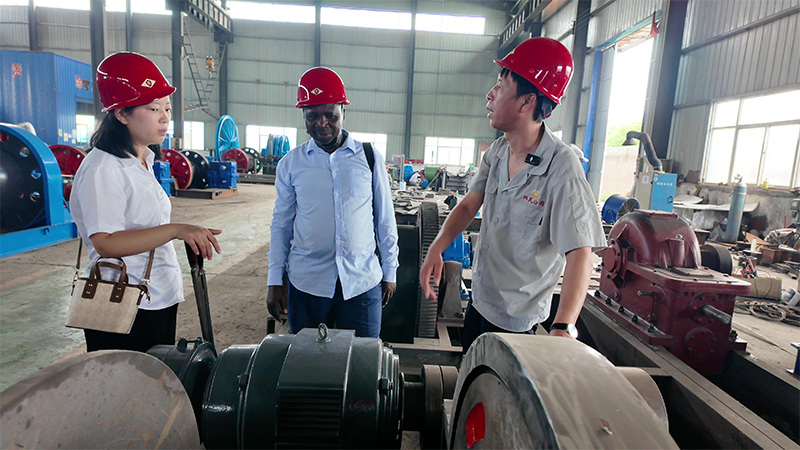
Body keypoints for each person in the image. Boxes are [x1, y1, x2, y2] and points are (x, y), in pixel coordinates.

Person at [419, 37, 605, 354]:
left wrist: (563, 328)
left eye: (500, 86)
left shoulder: (561, 168)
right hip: (481, 300)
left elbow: (580, 254)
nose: (490, 94)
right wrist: (436, 247)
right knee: (471, 373)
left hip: (516, 320)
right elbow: (468, 205)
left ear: (526, 102)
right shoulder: (498, 151)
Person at [70, 52, 222, 353]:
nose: (165, 117)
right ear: (121, 114)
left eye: (167, 107)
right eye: (153, 108)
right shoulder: (103, 168)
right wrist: (176, 230)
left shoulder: (142, 160)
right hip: (120, 302)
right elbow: (106, 242)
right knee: (124, 380)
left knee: (153, 377)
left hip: (154, 296)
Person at [266, 67, 399, 338]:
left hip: (362, 282)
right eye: (313, 116)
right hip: (307, 284)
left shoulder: (369, 157)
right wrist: (274, 280)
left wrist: (390, 271)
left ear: (343, 112)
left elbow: (384, 219)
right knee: (308, 359)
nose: (322, 123)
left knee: (362, 359)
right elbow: (281, 225)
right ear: (304, 116)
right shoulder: (292, 163)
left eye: (331, 115)